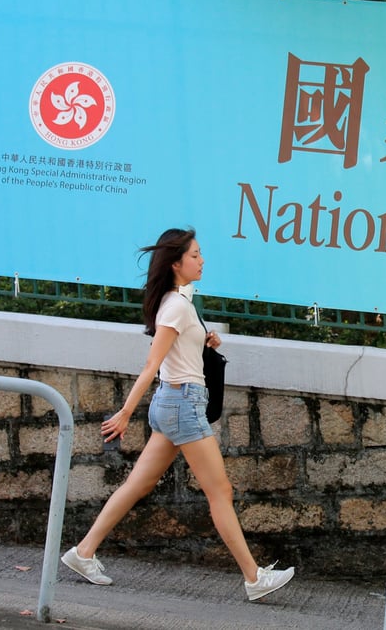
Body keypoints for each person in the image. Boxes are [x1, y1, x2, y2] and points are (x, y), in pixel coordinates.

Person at [61, 227, 294, 601]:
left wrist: (205, 339)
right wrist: (124, 414)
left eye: (200, 254)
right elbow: (152, 364)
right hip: (181, 405)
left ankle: (83, 552)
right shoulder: (176, 306)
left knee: (138, 485)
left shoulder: (179, 304)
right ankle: (254, 578)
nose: (202, 261)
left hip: (175, 403)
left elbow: (176, 350)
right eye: (195, 255)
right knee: (220, 491)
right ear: (176, 263)